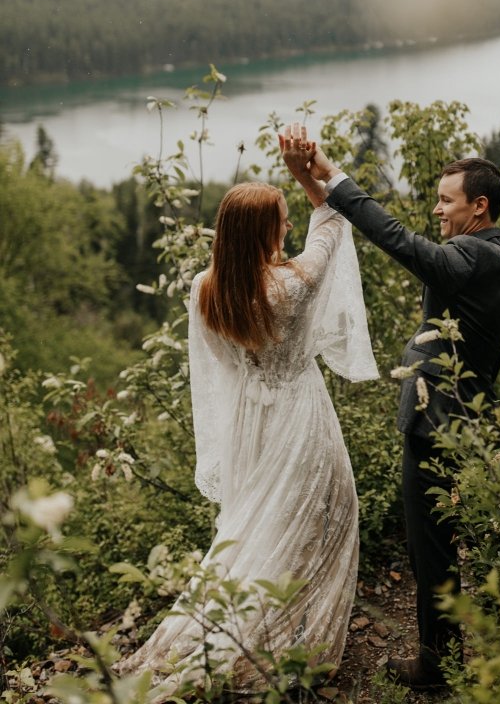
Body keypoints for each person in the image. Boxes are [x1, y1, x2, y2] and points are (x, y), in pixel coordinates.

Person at [116, 129, 378, 699]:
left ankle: (247, 634)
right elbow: (333, 220)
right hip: (298, 414)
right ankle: (291, 642)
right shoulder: (293, 284)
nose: (288, 226)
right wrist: (306, 171)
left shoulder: (204, 289)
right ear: (262, 231)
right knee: (322, 518)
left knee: (256, 528)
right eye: (280, 221)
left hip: (247, 420)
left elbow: (217, 362)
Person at [282, 138, 500, 690]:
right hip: (448, 420)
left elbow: (399, 241)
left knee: (431, 548)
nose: (437, 210)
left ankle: (436, 667)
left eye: (446, 200)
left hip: (441, 423)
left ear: (479, 206)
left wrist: (336, 177)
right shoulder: (483, 257)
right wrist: (313, 182)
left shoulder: (476, 256)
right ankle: (449, 655)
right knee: (435, 542)